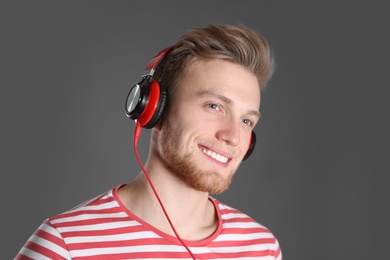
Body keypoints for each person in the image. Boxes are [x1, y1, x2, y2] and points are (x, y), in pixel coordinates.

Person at [16, 24, 282, 259]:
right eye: (214, 106)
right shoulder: (64, 245)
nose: (233, 136)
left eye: (247, 121)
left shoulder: (261, 248)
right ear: (154, 108)